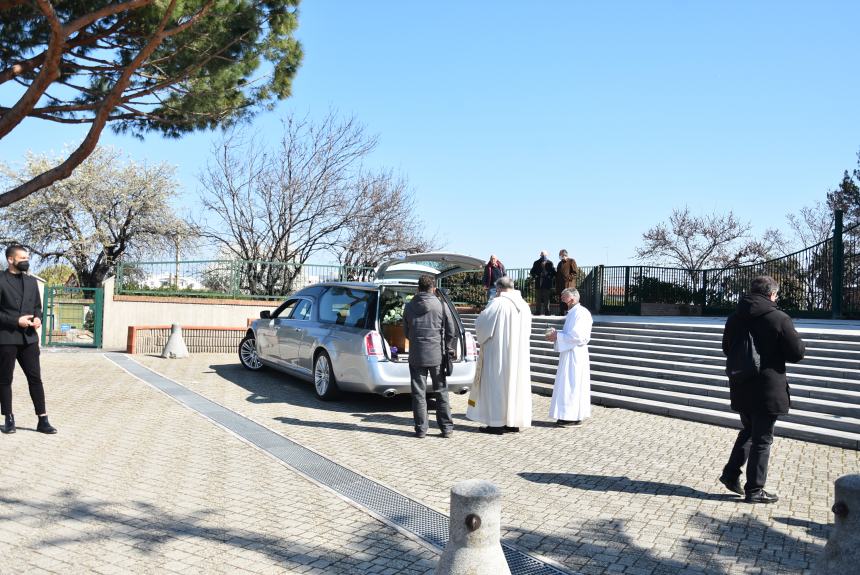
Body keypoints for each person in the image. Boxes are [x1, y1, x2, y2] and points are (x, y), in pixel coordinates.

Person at [718, 275, 805, 504]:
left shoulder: (735, 318)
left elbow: (727, 348)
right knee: (762, 440)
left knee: (749, 431)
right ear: (771, 294)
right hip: (768, 387)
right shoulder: (779, 318)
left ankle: (730, 474)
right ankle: (755, 490)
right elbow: (797, 353)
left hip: (742, 384)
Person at [1, 245, 57, 435]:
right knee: (5, 380)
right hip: (6, 338)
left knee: (35, 379)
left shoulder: (32, 282)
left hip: (29, 340)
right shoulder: (0, 280)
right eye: (22, 257)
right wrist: (16, 320)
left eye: (27, 257)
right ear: (10, 259)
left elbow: (37, 307)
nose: (26, 260)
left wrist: (38, 317)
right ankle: (8, 419)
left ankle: (43, 419)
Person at [466, 276, 532, 434]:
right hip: (518, 355)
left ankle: (496, 423)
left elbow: (481, 325)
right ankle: (513, 422)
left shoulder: (497, 303)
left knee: (497, 385)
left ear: (498, 288)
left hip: (498, 353)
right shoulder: (523, 305)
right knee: (515, 385)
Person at [403, 274, 456, 438]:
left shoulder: (409, 306)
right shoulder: (440, 304)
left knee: (418, 393)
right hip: (437, 355)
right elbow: (451, 330)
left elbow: (406, 331)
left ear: (418, 288)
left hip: (416, 354)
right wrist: (447, 347)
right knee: (441, 392)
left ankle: (421, 430)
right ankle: (446, 428)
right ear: (433, 288)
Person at [547, 288, 592, 427]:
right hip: (570, 353)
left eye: (563, 296)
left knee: (572, 384)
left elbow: (578, 336)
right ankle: (567, 415)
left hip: (576, 354)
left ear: (572, 298)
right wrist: (558, 334)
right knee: (567, 384)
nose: (561, 297)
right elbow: (570, 333)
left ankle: (571, 416)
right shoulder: (572, 313)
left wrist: (558, 336)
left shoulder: (581, 313)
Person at [530, 251, 555, 315]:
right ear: (540, 255)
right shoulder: (536, 262)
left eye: (544, 254)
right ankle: (538, 311)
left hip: (547, 282)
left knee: (547, 298)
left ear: (547, 255)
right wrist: (535, 276)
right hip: (539, 282)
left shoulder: (550, 263)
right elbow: (532, 272)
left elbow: (553, 272)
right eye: (542, 254)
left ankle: (547, 311)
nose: (543, 255)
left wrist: (549, 276)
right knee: (538, 298)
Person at [555, 249, 578, 315]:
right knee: (562, 299)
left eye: (560, 255)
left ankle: (569, 312)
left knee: (569, 299)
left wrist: (568, 278)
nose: (560, 257)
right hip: (560, 285)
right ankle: (561, 312)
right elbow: (558, 274)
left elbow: (575, 272)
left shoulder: (571, 261)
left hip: (569, 285)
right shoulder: (560, 263)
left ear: (564, 255)